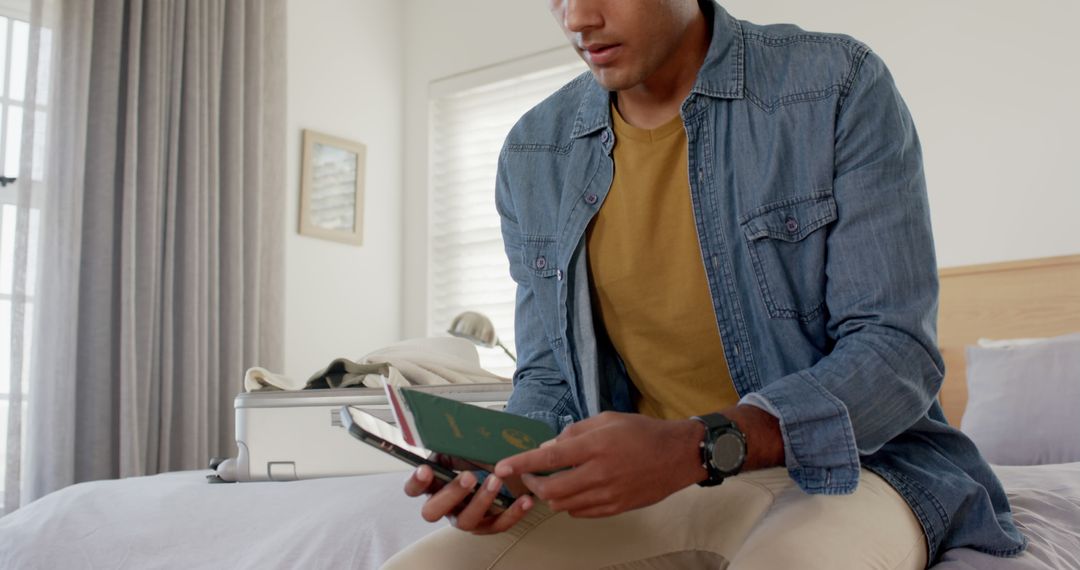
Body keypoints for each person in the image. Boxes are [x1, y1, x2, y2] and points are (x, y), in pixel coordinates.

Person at [385, 1, 1026, 568]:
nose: (577, 18)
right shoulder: (533, 152)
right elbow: (550, 379)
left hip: (853, 474)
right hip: (640, 492)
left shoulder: (835, 85)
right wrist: (508, 468)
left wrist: (700, 445)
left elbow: (895, 354)